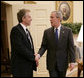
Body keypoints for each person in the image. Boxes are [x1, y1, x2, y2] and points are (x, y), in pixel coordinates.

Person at [35, 11, 76, 77]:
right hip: (51, 64)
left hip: (63, 63)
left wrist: (72, 61)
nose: (50, 19)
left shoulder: (68, 31)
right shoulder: (47, 32)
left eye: (52, 17)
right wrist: (38, 55)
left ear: (59, 19)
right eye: (50, 17)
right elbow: (43, 46)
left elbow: (71, 47)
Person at [10, 9, 37, 77]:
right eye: (29, 17)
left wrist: (34, 56)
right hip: (20, 68)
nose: (31, 19)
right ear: (23, 18)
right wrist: (33, 57)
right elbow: (20, 48)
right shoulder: (16, 30)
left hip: (28, 66)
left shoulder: (26, 30)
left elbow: (29, 47)